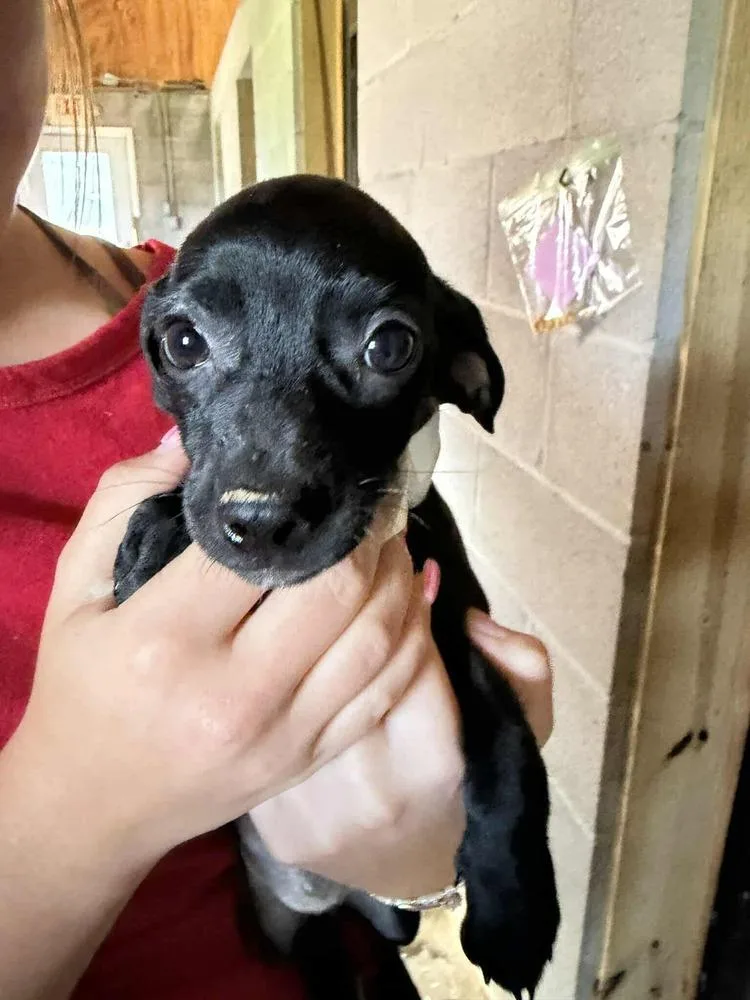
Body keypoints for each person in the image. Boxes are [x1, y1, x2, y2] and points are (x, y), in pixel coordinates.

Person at [0, 2, 554, 998]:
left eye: (382, 348)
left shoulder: (176, 290)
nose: (262, 477)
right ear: (164, 354)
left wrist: (429, 853)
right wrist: (73, 811)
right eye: (190, 347)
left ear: (457, 373)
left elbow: (455, 685)